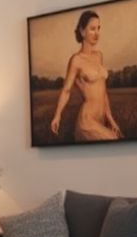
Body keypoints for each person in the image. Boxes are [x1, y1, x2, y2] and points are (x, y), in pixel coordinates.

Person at [49, 10, 123, 141]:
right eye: (92, 29)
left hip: (101, 120)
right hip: (87, 122)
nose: (97, 33)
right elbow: (66, 91)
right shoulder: (76, 60)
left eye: (98, 28)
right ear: (82, 31)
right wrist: (57, 115)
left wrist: (111, 120)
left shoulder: (99, 56)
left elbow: (103, 92)